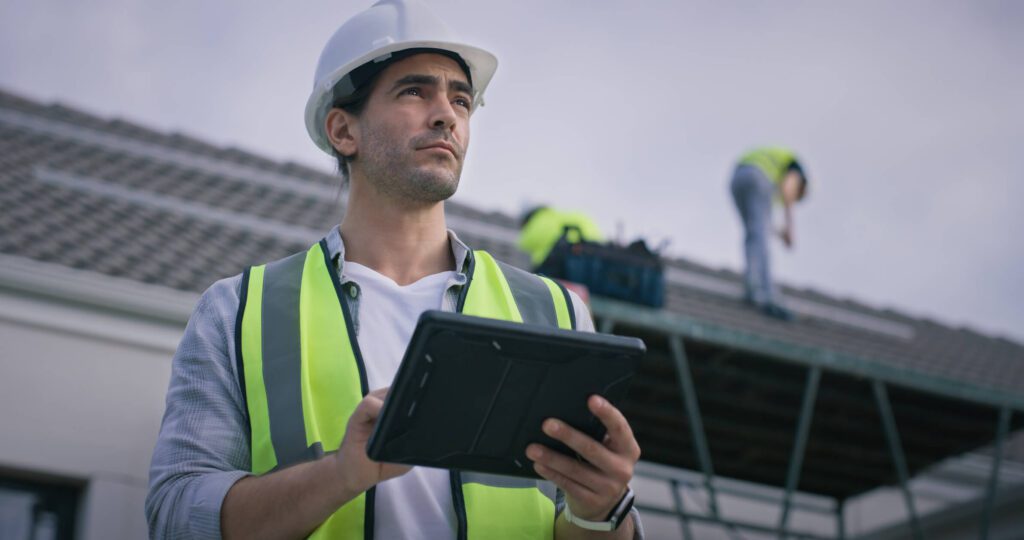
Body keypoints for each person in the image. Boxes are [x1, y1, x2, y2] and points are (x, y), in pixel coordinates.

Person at [145, 1, 644, 538]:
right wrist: (340, 475)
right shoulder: (239, 311)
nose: (446, 114)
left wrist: (601, 512)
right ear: (343, 131)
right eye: (414, 91)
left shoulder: (555, 312)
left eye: (460, 99)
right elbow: (177, 517)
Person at [730, 146, 809, 321]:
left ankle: (753, 283)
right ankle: (763, 291)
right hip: (757, 176)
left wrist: (778, 232)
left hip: (737, 177)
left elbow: (762, 225)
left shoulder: (769, 165)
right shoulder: (795, 169)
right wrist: (789, 228)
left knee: (754, 235)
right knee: (760, 239)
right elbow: (789, 190)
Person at [518, 205, 604, 271]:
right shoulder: (573, 215)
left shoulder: (539, 221)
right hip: (593, 262)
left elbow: (524, 243)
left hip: (562, 265)